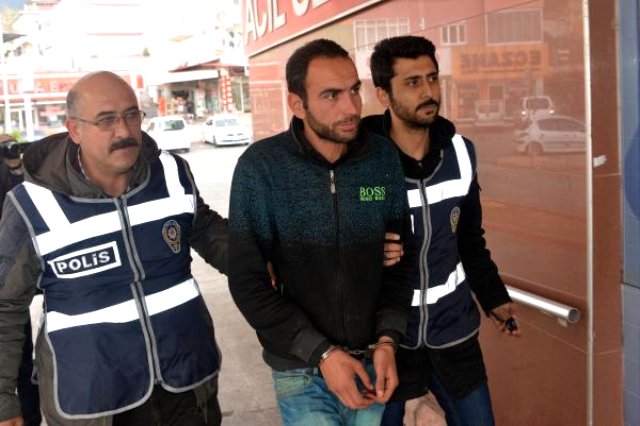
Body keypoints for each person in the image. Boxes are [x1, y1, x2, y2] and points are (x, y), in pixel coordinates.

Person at [0, 71, 228, 426]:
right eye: (106, 120)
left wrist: (259, 261)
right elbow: (5, 305)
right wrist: (3, 400)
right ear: (74, 129)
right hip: (93, 400)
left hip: (186, 383)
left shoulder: (172, 173)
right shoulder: (31, 204)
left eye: (131, 115)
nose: (123, 131)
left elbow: (205, 228)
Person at [227, 38, 414, 426]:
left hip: (371, 363)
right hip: (299, 368)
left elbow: (400, 263)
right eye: (331, 95)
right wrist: (322, 353)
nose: (351, 108)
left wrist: (387, 339)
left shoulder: (382, 159)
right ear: (297, 104)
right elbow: (247, 282)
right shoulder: (261, 169)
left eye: (354, 90)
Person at [363, 35, 521, 426]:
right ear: (383, 94)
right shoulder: (361, 161)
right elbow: (338, 241)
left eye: (432, 78)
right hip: (387, 340)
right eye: (412, 82)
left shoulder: (461, 153)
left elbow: (469, 240)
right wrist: (366, 248)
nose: (429, 91)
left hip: (455, 330)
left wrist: (493, 296)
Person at [0, 135, 42, 426]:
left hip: (7, 276)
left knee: (20, 356)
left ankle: (28, 416)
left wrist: (14, 162)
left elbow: (24, 198)